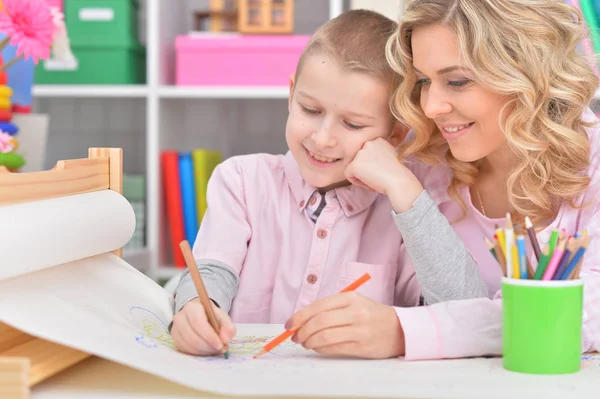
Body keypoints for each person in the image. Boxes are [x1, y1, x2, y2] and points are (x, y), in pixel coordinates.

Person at [289, 0, 600, 360]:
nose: (431, 106)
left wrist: (408, 332)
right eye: (423, 81)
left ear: (527, 73)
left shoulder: (591, 160)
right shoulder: (421, 157)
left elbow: (586, 311)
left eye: (456, 81)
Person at [170, 9, 488, 358]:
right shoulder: (243, 182)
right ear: (291, 94)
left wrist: (401, 186)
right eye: (310, 110)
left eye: (352, 125)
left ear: (393, 133)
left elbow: (466, 313)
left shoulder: (407, 210)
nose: (322, 139)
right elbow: (212, 270)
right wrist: (195, 310)